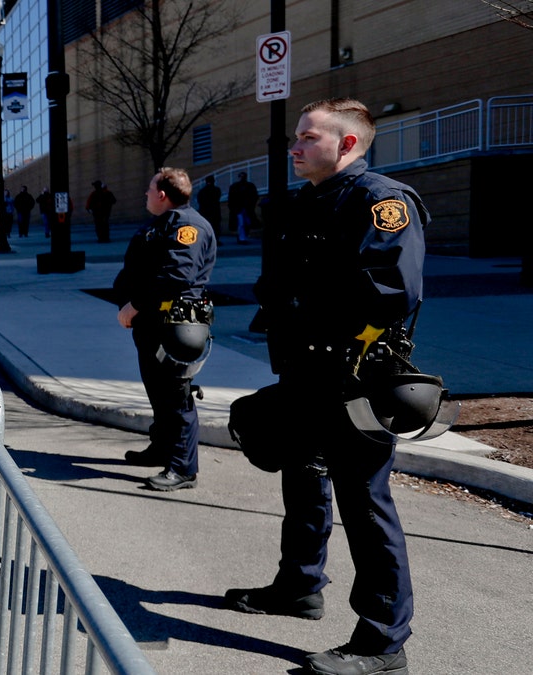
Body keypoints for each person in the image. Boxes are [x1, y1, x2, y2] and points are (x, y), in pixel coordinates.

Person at [224, 98, 428, 675]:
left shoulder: (382, 201)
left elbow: (392, 291)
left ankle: (383, 642)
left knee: (364, 503)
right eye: (296, 137)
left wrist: (308, 309)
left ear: (347, 144)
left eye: (308, 138)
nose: (294, 147)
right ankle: (298, 588)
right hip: (306, 373)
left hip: (355, 378)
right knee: (303, 477)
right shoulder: (307, 202)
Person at [114, 168, 216, 490]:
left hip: (175, 324)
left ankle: (184, 468)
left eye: (149, 189)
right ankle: (162, 448)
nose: (145, 194)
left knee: (176, 396)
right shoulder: (164, 224)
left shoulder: (188, 226)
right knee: (158, 392)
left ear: (162, 194)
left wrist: (135, 304)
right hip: (153, 323)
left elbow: (177, 277)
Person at [228, 171, 259, 243]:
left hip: (246, 208)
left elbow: (254, 196)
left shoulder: (249, 186)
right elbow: (231, 198)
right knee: (241, 223)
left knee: (247, 223)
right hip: (239, 208)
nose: (242, 178)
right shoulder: (235, 186)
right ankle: (242, 238)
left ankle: (242, 237)